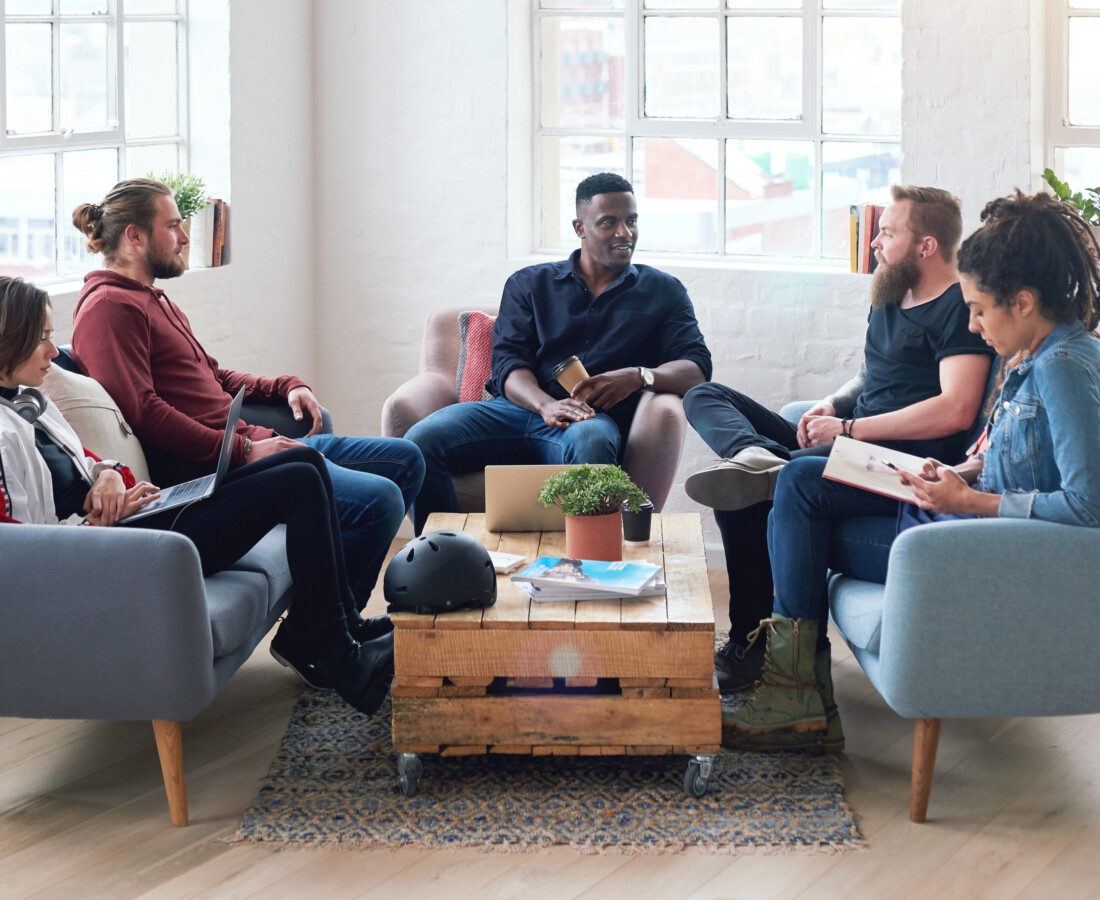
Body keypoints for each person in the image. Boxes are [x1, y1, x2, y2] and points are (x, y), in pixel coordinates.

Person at [721, 190, 1100, 751]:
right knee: (799, 486)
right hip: (959, 522)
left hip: (976, 549)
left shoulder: (1062, 369)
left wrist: (971, 502)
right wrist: (963, 473)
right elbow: (1017, 459)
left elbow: (1088, 504)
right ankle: (794, 693)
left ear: (1021, 301)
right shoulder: (1042, 355)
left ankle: (794, 698)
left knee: (796, 499)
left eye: (978, 309)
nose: (971, 326)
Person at [0, 277, 394, 715]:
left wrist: (110, 476)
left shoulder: (30, 401)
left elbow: (92, 465)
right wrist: (94, 525)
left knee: (304, 465)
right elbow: (19, 551)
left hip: (125, 527)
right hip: (104, 555)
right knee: (298, 483)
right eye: (42, 340)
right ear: (6, 340)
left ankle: (345, 633)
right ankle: (343, 658)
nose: (55, 354)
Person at [67, 179, 425, 634]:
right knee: (380, 500)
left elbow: (213, 376)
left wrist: (284, 386)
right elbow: (143, 412)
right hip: (215, 473)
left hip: (248, 446)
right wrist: (244, 451)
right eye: (173, 226)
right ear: (135, 237)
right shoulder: (109, 309)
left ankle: (329, 622)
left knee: (406, 458)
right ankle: (326, 630)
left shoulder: (152, 297)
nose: (183, 237)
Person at [682, 185, 994, 700]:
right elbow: (871, 376)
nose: (874, 241)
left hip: (900, 461)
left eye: (887, 232)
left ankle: (754, 648)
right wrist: (833, 403)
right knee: (704, 394)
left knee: (766, 489)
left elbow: (955, 409)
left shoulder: (961, 308)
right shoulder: (894, 292)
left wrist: (851, 431)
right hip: (848, 442)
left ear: (926, 246)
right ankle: (755, 458)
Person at [405, 172, 713, 533]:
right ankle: (442, 555)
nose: (624, 233)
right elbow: (509, 364)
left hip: (588, 420)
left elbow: (697, 368)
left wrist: (638, 375)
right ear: (580, 227)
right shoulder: (529, 284)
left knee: (593, 443)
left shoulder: (663, 291)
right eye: (609, 222)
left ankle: (589, 567)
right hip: (515, 412)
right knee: (420, 441)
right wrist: (544, 404)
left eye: (631, 221)